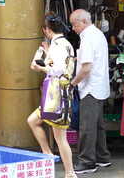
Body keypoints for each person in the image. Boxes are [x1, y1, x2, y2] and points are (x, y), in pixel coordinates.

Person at [28, 14, 76, 178]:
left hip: (58, 94)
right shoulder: (63, 44)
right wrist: (47, 55)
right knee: (34, 121)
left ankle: (70, 172)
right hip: (57, 94)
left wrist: (40, 67)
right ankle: (49, 155)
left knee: (60, 137)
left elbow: (58, 70)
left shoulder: (59, 46)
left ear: (47, 30)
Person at [69, 9, 111, 174]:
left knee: (87, 126)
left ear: (83, 22)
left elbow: (86, 68)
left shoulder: (87, 38)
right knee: (98, 125)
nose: (73, 28)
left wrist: (73, 83)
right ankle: (102, 157)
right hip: (99, 86)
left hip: (90, 88)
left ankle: (87, 161)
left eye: (74, 24)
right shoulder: (98, 34)